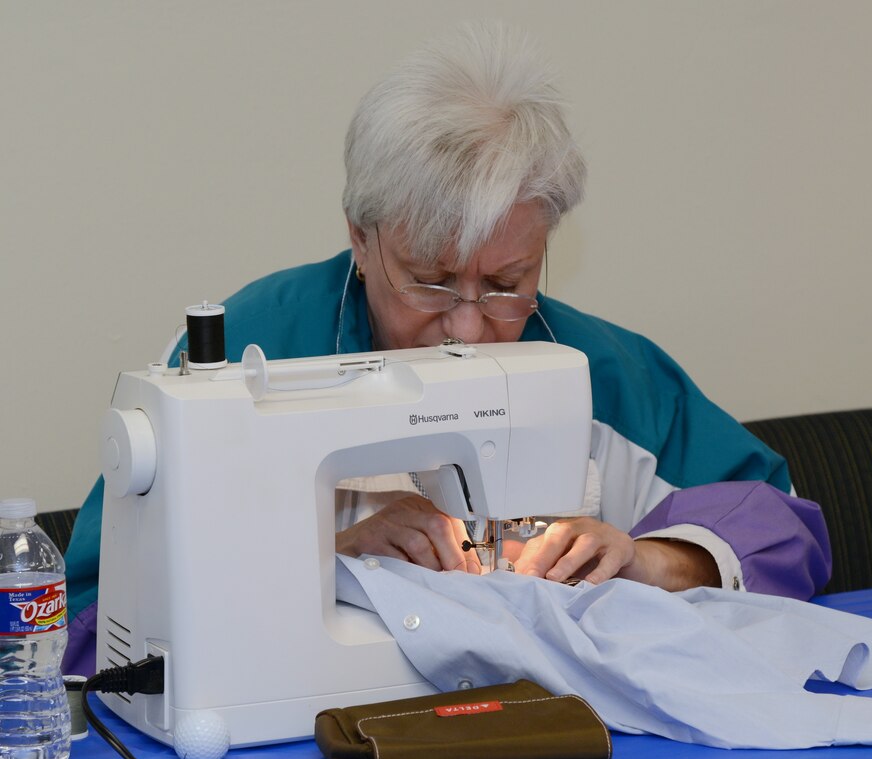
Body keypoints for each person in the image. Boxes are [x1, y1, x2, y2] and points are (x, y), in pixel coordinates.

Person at [61, 22, 830, 677]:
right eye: (430, 281)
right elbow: (97, 614)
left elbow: (780, 524)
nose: (466, 327)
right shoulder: (240, 360)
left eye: (506, 282)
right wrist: (327, 559)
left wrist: (650, 561)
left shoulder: (611, 375)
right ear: (360, 238)